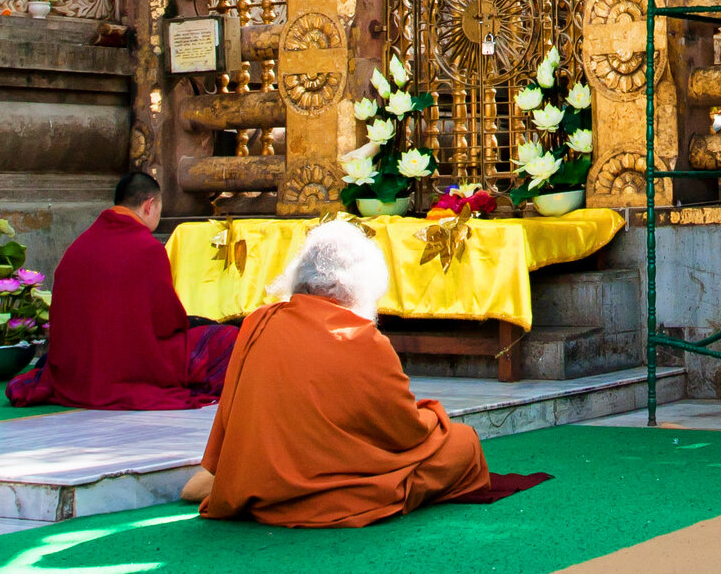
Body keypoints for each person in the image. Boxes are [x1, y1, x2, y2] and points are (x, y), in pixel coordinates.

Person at [183, 220, 490, 526]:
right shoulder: (363, 339)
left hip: (260, 482)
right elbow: (406, 432)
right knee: (463, 442)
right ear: (360, 283)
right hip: (332, 487)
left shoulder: (259, 321)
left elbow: (229, 417)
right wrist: (434, 417)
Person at [6, 172, 237, 410]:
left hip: (77, 370)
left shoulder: (78, 246)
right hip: (128, 366)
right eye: (158, 210)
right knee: (228, 340)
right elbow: (168, 323)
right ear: (149, 206)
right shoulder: (148, 248)